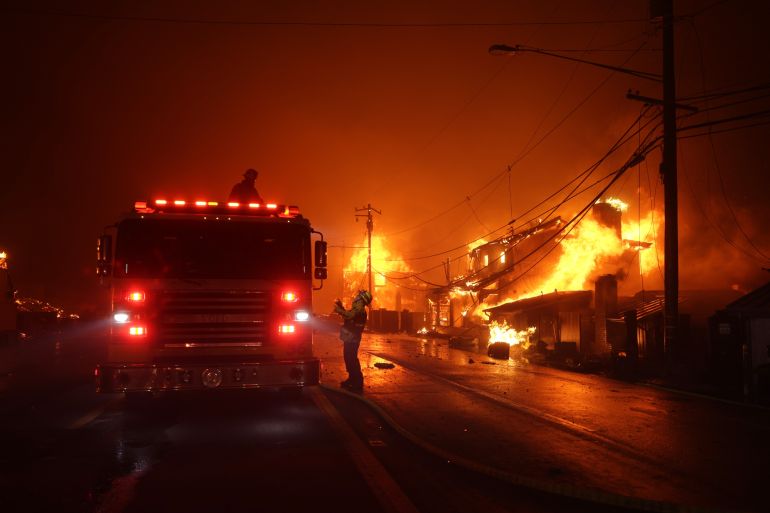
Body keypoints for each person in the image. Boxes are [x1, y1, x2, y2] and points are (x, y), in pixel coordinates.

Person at [333, 290, 372, 391]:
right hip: (349, 337)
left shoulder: (360, 310)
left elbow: (349, 315)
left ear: (361, 300)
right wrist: (341, 307)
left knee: (352, 359)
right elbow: (348, 316)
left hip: (353, 338)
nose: (356, 297)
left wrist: (339, 310)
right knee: (348, 358)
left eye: (359, 296)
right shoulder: (357, 309)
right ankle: (352, 379)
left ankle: (358, 381)